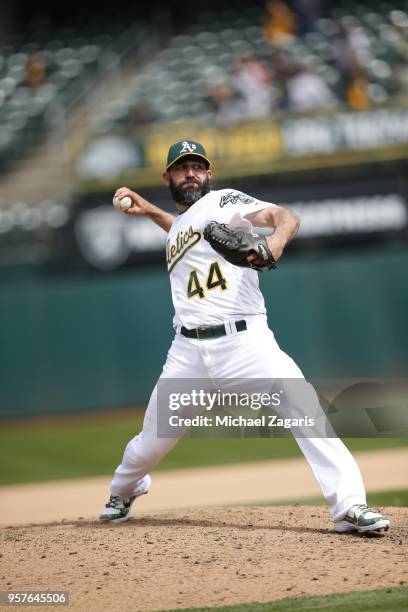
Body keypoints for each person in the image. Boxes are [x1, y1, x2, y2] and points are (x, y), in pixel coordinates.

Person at [99, 139, 390, 535]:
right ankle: (125, 488)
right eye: (182, 167)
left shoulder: (224, 202)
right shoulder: (182, 227)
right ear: (167, 176)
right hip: (187, 354)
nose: (191, 173)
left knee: (304, 405)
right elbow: (182, 231)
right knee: (148, 445)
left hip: (245, 342)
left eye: (197, 166)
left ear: (209, 173)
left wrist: (275, 241)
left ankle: (349, 506)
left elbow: (283, 215)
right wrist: (150, 211)